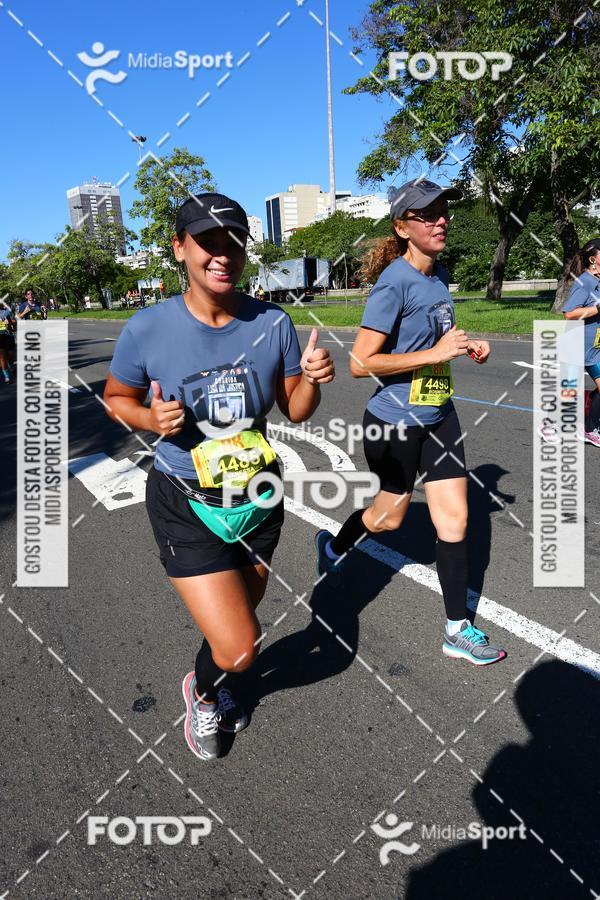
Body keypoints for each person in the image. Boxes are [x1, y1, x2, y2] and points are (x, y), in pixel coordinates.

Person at [104, 192, 334, 761]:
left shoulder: (272, 322)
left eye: (234, 242)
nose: (222, 254)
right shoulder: (148, 328)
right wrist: (147, 417)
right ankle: (204, 692)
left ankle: (210, 672)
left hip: (258, 494)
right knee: (239, 648)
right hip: (186, 499)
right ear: (180, 248)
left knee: (242, 618)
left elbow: (296, 409)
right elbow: (116, 397)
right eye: (207, 241)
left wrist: (312, 379)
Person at [315, 178, 506, 667]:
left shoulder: (439, 274)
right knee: (390, 517)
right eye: (428, 215)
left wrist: (466, 344)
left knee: (456, 519)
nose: (441, 220)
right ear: (402, 227)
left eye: (444, 211)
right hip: (394, 422)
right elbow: (361, 363)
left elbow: (438, 333)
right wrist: (434, 354)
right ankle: (335, 545)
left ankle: (457, 628)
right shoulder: (393, 282)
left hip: (438, 413)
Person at [562, 237, 600, 446]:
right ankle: (588, 428)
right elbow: (569, 314)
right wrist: (597, 309)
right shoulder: (585, 281)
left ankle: (590, 418)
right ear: (593, 259)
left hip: (595, 346)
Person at [0, 301, 16, 383]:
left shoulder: (7, 312)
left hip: (8, 335)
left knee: (10, 355)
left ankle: (12, 366)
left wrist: (9, 323)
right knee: (2, 358)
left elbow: (14, 322)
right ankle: (7, 377)